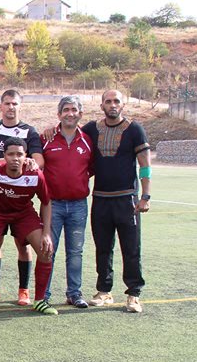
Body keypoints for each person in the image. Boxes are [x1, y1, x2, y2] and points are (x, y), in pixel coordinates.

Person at [0, 137, 57, 316]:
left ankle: (39, 300)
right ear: (4, 156)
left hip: (23, 214)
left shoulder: (35, 174)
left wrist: (46, 233)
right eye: (10, 154)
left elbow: (46, 203)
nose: (15, 158)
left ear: (26, 156)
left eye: (19, 154)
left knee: (46, 250)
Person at [83, 90, 150, 313]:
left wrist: (145, 196)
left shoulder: (134, 130)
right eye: (108, 101)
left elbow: (145, 165)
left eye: (116, 101)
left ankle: (133, 294)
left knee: (131, 248)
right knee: (103, 248)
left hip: (127, 200)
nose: (112, 105)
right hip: (101, 199)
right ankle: (104, 291)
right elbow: (71, 135)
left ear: (123, 105)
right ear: (101, 105)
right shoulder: (92, 129)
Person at [0, 89, 45, 306]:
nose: (11, 107)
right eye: (7, 103)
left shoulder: (29, 131)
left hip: (20, 199)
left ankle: (24, 290)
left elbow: (39, 160)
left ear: (20, 106)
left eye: (15, 104)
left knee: (23, 245)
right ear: (0, 106)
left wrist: (31, 165)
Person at [40, 95, 94, 308]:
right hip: (53, 205)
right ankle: (43, 294)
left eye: (74, 110)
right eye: (66, 110)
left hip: (78, 205)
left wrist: (76, 183)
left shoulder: (88, 140)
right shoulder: (46, 138)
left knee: (75, 251)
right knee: (47, 249)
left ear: (80, 114)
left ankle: (74, 293)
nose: (70, 113)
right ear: (59, 114)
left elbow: (90, 169)